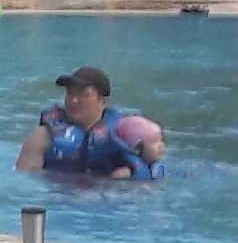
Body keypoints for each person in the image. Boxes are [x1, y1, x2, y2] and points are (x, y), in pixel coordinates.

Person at [19, 66, 165, 178]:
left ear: (103, 102)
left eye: (82, 94)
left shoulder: (123, 136)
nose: (73, 100)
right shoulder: (43, 135)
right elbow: (26, 178)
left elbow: (147, 168)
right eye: (70, 93)